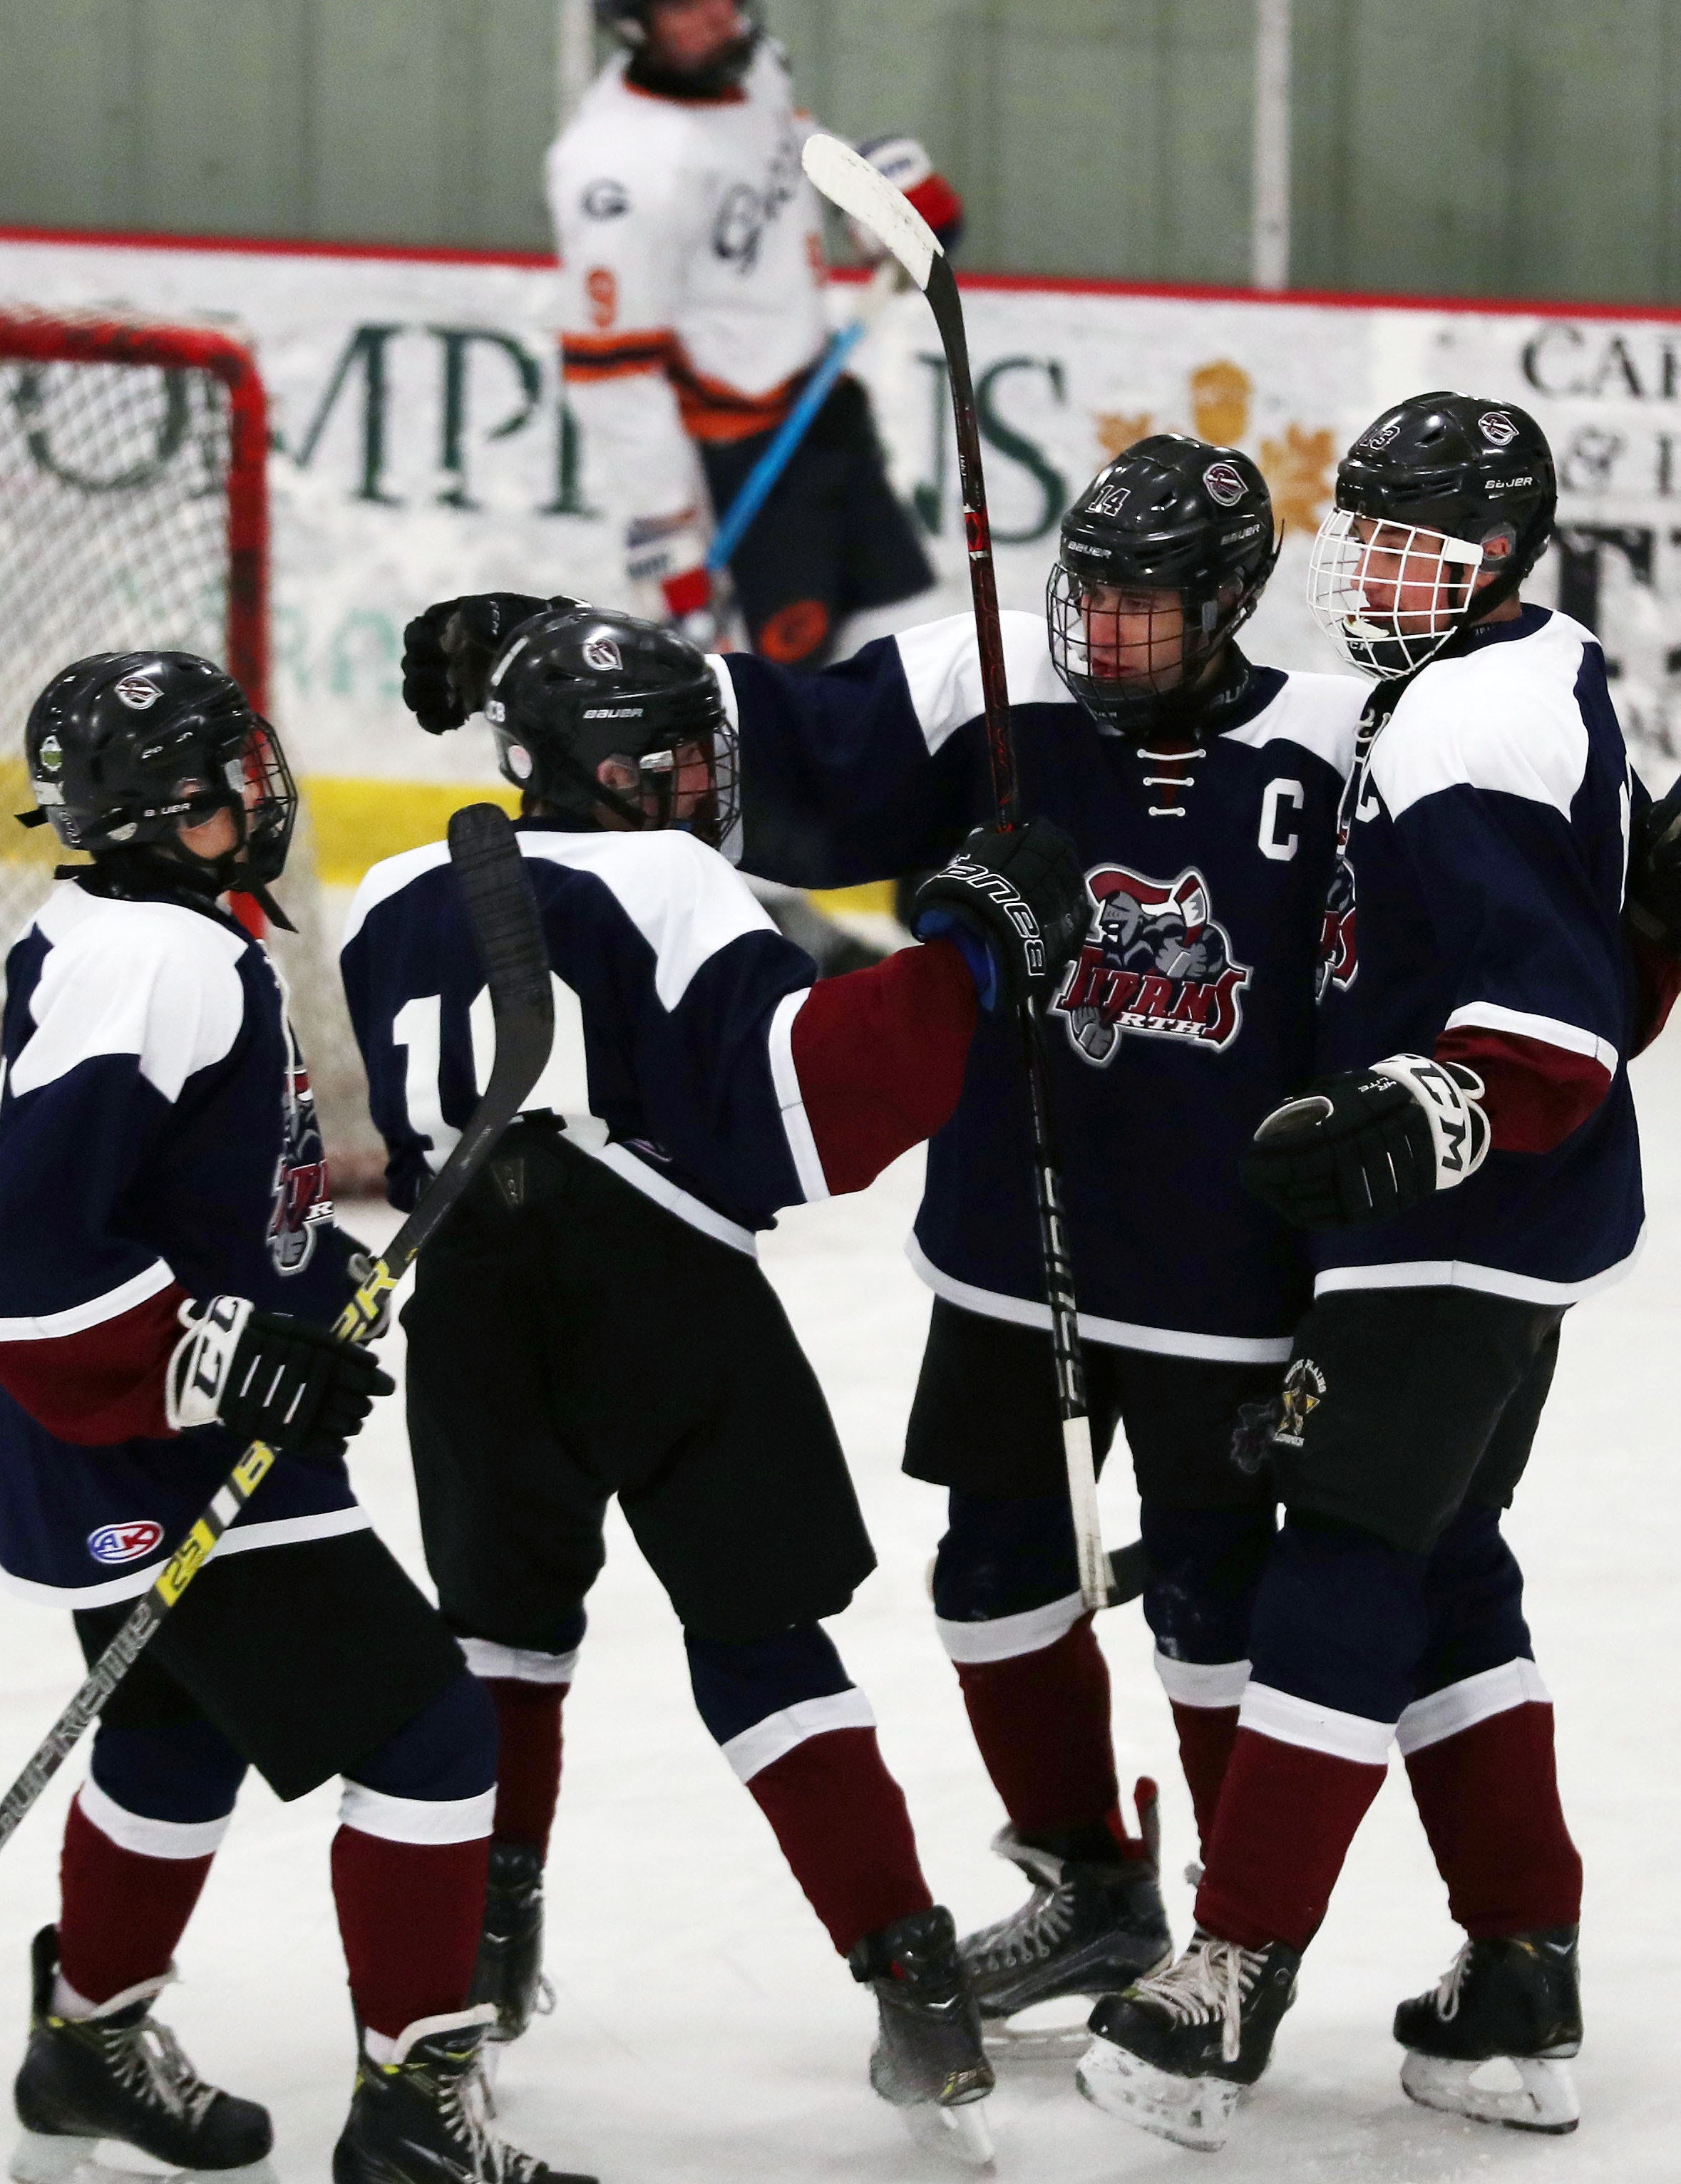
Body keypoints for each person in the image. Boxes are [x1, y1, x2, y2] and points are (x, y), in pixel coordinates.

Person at [397, 435, 1375, 2039]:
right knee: (991, 1578)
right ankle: (1088, 1883)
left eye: (1143, 607)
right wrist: (551, 647)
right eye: (1088, 596)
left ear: (1230, 604)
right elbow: (755, 737)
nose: (1101, 632)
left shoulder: (1338, 740)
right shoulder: (989, 678)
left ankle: (1231, 1940)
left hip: (1226, 1268)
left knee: (1215, 1605)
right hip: (1011, 1246)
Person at [341, 603, 1091, 2158]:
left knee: (500, 1640)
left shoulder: (388, 893)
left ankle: (482, 1963)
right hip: (665, 1306)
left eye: (699, 749)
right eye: (665, 756)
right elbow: (806, 1116)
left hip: (470, 1308)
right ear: (588, 765)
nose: (697, 778)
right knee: (762, 1644)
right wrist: (967, 957)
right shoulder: (679, 885)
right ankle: (914, 1983)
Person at [1077, 395, 1647, 2149]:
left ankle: (1229, 1978)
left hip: (1448, 1235)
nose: (1380, 574)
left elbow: (1553, 1019)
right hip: (1502, 1230)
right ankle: (1518, 1973)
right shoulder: (1520, 673)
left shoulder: (1469, 716)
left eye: (1422, 547)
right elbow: (1629, 952)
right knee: (1444, 1565)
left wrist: (1433, 1106)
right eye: (1369, 537)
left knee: (1338, 1554)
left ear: (1505, 555)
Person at [0, 653, 586, 2184]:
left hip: (127, 1425)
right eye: (227, 781)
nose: (261, 797)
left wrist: (304, 1288)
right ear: (164, 810)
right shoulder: (162, 963)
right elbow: (28, 1246)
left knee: (174, 1731)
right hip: (150, 1434)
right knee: (432, 1739)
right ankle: (411, 2118)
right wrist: (218, 1359)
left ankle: (85, 2044)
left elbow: (183, 1198)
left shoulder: (140, 932)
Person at [551, 0, 958, 669]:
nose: (718, 17)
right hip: (734, 470)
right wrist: (669, 530)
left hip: (822, 413)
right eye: (685, 7)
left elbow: (792, 149)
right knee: (783, 705)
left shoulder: (752, 62)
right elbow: (613, 377)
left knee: (914, 651)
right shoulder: (619, 169)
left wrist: (880, 212)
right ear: (633, 26)